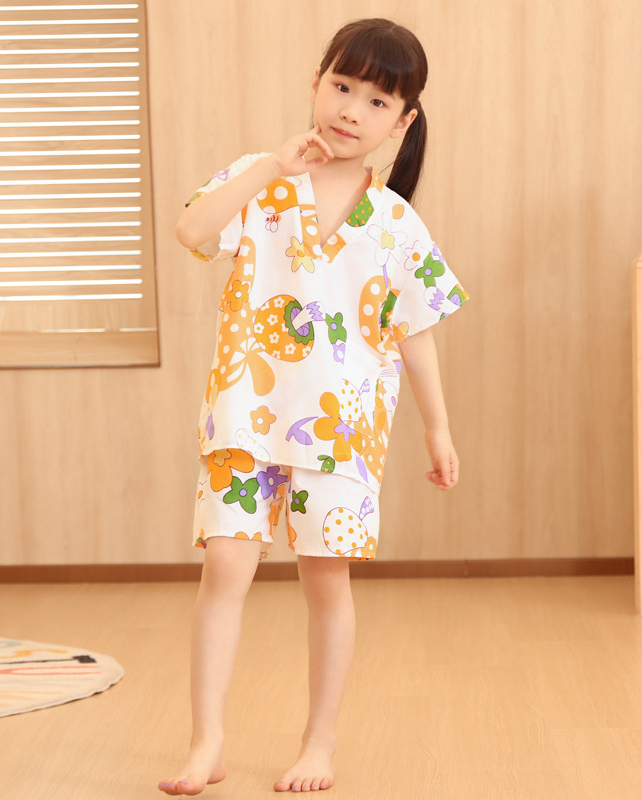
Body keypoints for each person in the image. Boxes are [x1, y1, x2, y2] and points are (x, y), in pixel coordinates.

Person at [159, 17, 467, 796]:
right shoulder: (260, 183)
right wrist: (272, 165)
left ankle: (318, 744)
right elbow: (192, 229)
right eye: (342, 86)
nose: (351, 109)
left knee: (326, 582)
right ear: (316, 84)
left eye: (376, 101)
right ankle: (207, 742)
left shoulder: (396, 223)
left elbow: (415, 330)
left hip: (342, 433)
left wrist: (438, 429)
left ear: (402, 123)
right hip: (245, 416)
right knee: (224, 567)